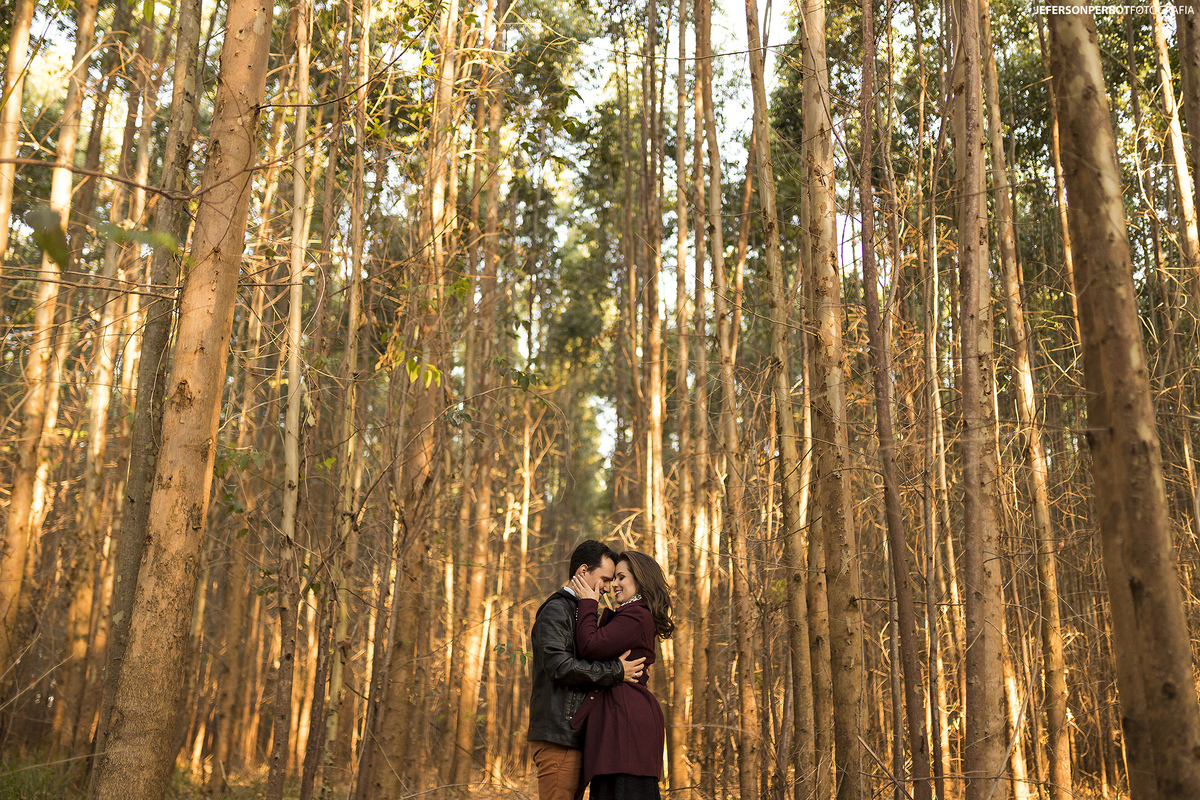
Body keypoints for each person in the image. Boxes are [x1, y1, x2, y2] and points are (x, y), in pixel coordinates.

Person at [528, 540, 647, 800]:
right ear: (583, 572)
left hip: (574, 737)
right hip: (558, 738)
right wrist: (615, 671)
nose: (607, 587)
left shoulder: (580, 611)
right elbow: (558, 666)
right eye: (604, 578)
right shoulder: (556, 610)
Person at [568, 550, 675, 800]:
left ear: (640, 580)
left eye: (621, 577)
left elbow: (590, 646)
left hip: (626, 723)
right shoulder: (631, 614)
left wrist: (588, 603)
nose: (614, 584)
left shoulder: (636, 616)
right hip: (620, 720)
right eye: (613, 578)